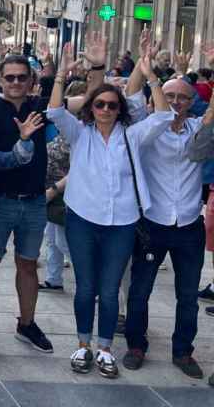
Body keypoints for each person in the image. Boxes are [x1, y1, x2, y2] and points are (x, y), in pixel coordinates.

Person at [0, 32, 110, 356]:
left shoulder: (42, 107)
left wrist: (97, 66)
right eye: (10, 77)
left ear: (31, 80)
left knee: (28, 265)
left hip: (33, 201)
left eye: (21, 77)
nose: (16, 82)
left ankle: (27, 323)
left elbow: (90, 99)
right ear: (1, 80)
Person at [47, 45, 172, 378]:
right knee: (86, 286)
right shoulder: (80, 134)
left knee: (110, 287)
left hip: (122, 222)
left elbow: (163, 117)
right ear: (91, 108)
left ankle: (104, 348)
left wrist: (152, 78)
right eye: (99, 104)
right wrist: (62, 74)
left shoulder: (132, 136)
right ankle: (83, 344)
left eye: (111, 105)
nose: (105, 109)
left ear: (120, 110)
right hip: (83, 219)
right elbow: (56, 112)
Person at [122, 40, 209, 380]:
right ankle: (135, 345)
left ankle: (183, 351)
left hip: (188, 224)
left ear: (191, 103)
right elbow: (130, 96)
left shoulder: (197, 131)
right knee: (140, 291)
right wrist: (144, 69)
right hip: (153, 223)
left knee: (188, 296)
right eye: (169, 96)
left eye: (182, 97)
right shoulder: (147, 131)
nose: (174, 102)